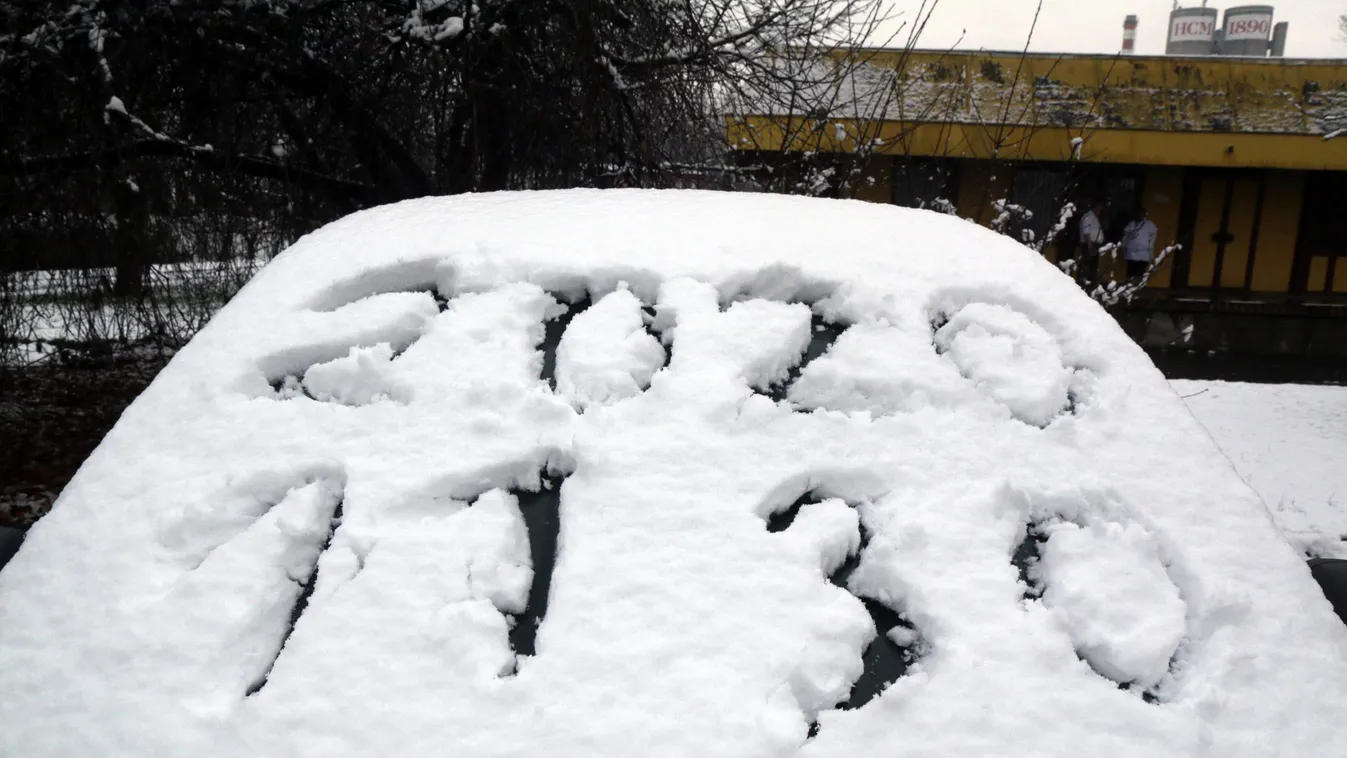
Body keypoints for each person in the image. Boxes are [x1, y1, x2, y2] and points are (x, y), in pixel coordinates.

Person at [1121, 206, 1158, 280]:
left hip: (1141, 254)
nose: (1139, 215)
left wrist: (1152, 256)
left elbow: (1151, 241)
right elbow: (1125, 237)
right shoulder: (1132, 224)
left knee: (1138, 273)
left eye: (1141, 214)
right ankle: (1131, 286)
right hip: (1133, 254)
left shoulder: (1149, 225)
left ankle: (1134, 286)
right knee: (1132, 273)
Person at [1076, 199, 1107, 288]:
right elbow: (1086, 231)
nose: (1101, 211)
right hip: (1089, 244)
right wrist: (1089, 243)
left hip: (1094, 244)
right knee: (1087, 263)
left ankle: (1091, 283)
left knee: (1093, 265)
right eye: (1100, 208)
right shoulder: (1088, 217)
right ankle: (1084, 282)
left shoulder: (1094, 217)